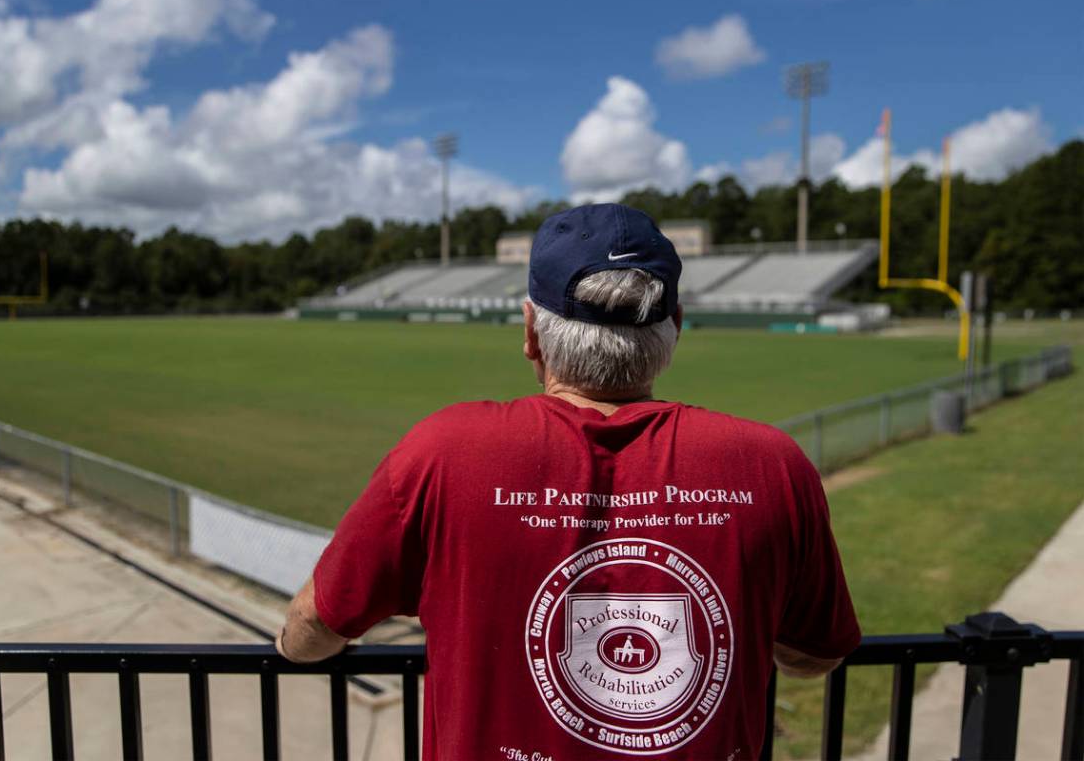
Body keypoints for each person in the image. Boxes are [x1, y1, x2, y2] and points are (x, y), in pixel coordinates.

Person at [277, 203, 860, 759]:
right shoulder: (773, 465)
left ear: (531, 332)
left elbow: (317, 621)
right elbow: (813, 654)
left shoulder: (444, 451)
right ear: (675, 329)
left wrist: (287, 648)